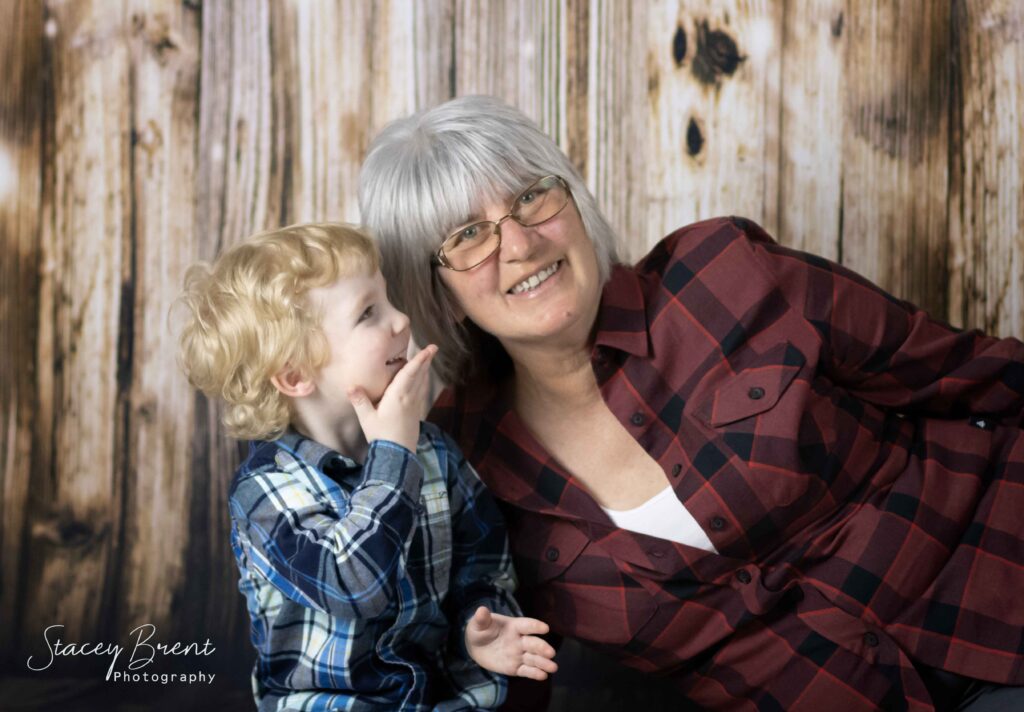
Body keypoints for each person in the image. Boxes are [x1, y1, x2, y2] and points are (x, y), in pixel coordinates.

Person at [357, 96, 1024, 711]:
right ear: (434, 288)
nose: (523, 243)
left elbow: (975, 373)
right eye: (469, 236)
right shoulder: (459, 461)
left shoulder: (726, 273)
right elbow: (481, 665)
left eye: (534, 196)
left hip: (997, 578)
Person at [175, 223, 557, 712]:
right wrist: (392, 454)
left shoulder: (434, 453)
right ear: (295, 374)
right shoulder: (266, 493)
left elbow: (482, 566)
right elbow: (355, 586)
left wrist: (477, 627)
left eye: (389, 300)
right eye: (368, 313)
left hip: (444, 696)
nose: (400, 320)